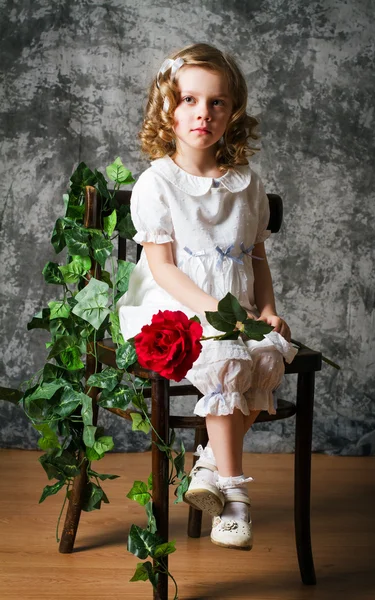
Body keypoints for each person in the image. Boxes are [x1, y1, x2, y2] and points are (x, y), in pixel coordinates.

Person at [117, 43, 297, 551]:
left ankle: (210, 466)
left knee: (265, 355)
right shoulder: (158, 183)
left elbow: (257, 258)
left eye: (217, 102)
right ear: (167, 108)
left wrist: (266, 310)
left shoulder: (246, 184)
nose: (203, 113)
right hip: (177, 306)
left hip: (238, 307)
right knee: (223, 355)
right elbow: (163, 268)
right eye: (190, 100)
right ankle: (236, 499)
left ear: (232, 111)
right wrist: (217, 314)